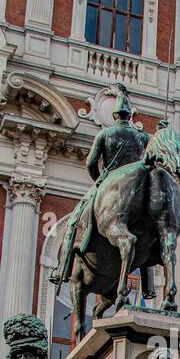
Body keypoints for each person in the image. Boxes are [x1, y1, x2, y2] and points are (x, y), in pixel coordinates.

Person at [51, 85, 148, 290]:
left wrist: (100, 184)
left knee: (74, 221)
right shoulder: (144, 137)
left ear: (115, 114)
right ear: (130, 115)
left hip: (108, 184)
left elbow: (90, 163)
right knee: (148, 234)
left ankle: (62, 269)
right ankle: (148, 286)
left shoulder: (106, 134)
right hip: (138, 190)